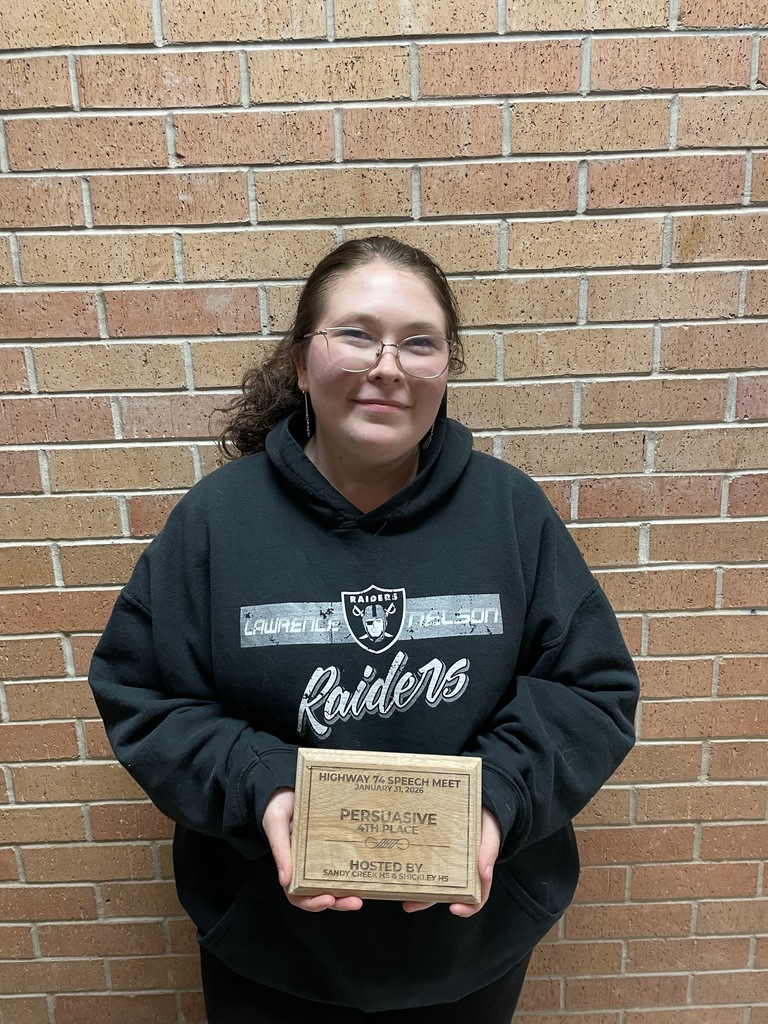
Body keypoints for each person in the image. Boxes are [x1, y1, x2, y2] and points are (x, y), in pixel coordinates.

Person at [89, 236, 639, 1023]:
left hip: (469, 950)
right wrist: (262, 784)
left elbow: (590, 690)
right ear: (300, 361)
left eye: (419, 342)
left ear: (445, 367)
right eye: (356, 334)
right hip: (272, 952)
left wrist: (497, 797)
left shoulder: (510, 513)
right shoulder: (216, 522)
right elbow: (144, 696)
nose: (388, 366)